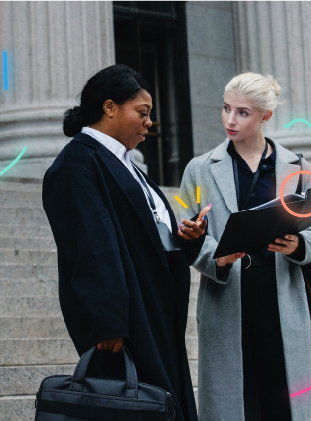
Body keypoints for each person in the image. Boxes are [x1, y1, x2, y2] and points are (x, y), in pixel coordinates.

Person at [42, 64, 209, 421]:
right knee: (142, 408)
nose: (150, 123)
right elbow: (92, 246)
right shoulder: (78, 164)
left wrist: (188, 238)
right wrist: (108, 319)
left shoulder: (126, 164)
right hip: (126, 316)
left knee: (161, 404)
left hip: (156, 308)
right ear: (109, 108)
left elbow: (150, 237)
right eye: (143, 113)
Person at [177, 72, 311, 420]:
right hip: (228, 296)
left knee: (283, 401)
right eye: (226, 108)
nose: (230, 120)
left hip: (282, 299)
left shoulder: (297, 167)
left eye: (243, 112)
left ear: (265, 116)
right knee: (235, 401)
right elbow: (184, 226)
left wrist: (298, 243)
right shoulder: (199, 169)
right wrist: (212, 251)